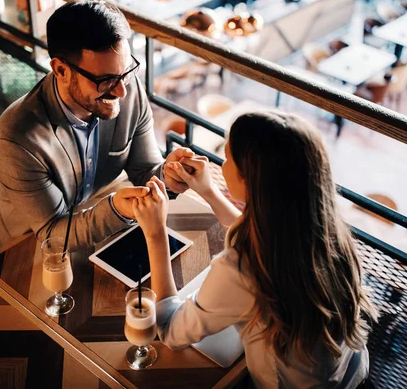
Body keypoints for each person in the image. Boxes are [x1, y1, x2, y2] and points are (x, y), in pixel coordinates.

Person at [133, 111, 378, 388]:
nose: (221, 164)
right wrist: (209, 191)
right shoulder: (330, 235)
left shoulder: (241, 271)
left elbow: (171, 330)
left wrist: (155, 233)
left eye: (227, 159)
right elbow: (262, 238)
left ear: (250, 182)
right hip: (355, 377)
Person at [0, 0, 193, 253]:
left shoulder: (128, 89)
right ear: (61, 70)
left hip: (93, 221)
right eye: (105, 80)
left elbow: (144, 169)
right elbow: (52, 232)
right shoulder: (16, 139)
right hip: (24, 248)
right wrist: (115, 209)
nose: (121, 91)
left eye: (126, 72)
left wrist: (168, 177)